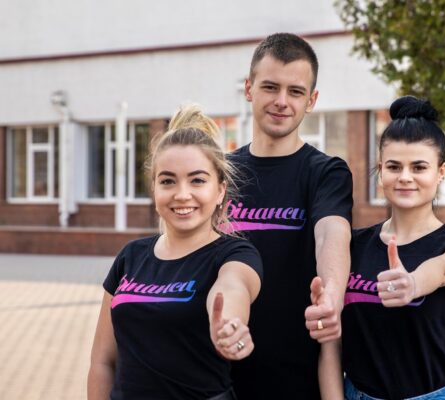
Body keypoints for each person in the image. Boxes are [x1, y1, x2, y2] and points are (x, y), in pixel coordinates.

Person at [87, 104, 263, 400]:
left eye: (197, 180)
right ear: (155, 188)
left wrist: (230, 324)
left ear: (220, 190)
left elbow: (233, 288)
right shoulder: (130, 257)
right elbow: (102, 362)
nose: (182, 194)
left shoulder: (235, 255)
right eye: (168, 181)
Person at [328, 96, 445, 400]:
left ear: (441, 172)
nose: (405, 177)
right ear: (380, 170)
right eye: (394, 166)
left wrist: (413, 283)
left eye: (419, 167)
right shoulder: (353, 243)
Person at [225, 33, 353, 399]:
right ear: (249, 89)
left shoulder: (326, 173)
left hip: (298, 379)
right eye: (270, 87)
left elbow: (331, 234)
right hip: (221, 377)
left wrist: (331, 297)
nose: (282, 101)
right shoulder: (220, 173)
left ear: (311, 100)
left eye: (295, 92)